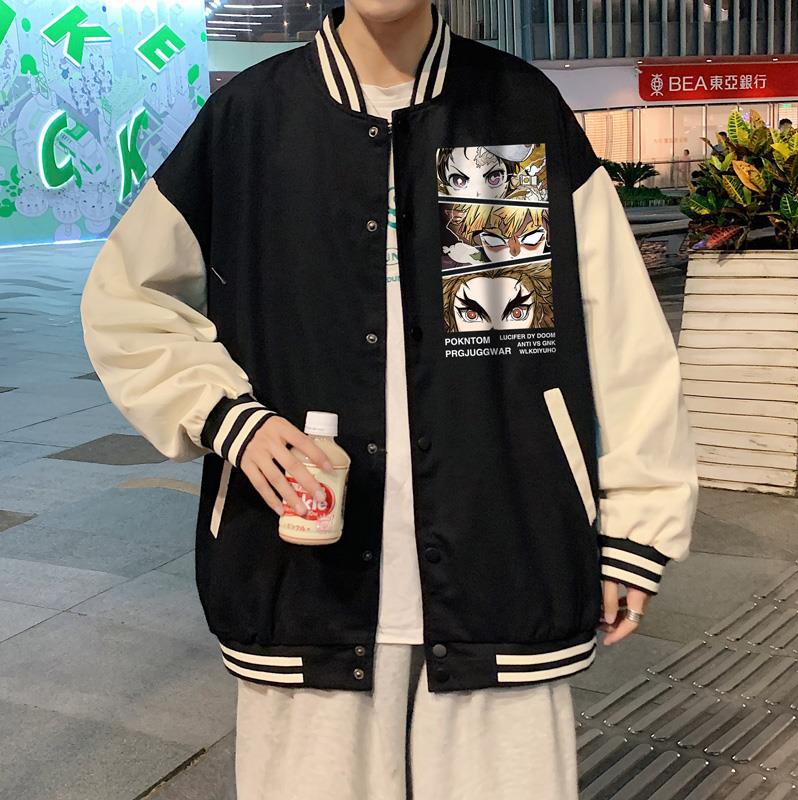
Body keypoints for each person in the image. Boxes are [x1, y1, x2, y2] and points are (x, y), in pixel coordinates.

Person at [79, 1, 699, 797]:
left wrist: (639, 524)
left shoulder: (514, 108)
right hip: (302, 572)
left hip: (504, 559)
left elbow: (623, 334)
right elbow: (127, 301)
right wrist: (230, 419)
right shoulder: (252, 120)